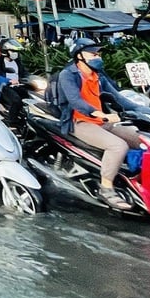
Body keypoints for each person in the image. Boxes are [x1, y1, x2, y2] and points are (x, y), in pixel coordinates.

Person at [58, 38, 143, 210]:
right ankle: (106, 188)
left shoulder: (99, 76)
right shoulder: (68, 75)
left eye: (98, 53)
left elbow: (120, 99)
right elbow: (75, 101)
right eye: (93, 53)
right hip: (80, 122)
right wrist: (102, 115)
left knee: (142, 139)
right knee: (118, 146)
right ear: (79, 55)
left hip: (102, 121)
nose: (98, 56)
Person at [0, 39, 31, 125]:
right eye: (13, 51)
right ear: (5, 51)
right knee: (16, 101)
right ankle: (12, 122)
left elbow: (24, 73)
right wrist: (9, 81)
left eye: (16, 51)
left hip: (18, 86)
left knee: (31, 98)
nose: (15, 53)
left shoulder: (17, 62)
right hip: (3, 87)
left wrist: (31, 79)